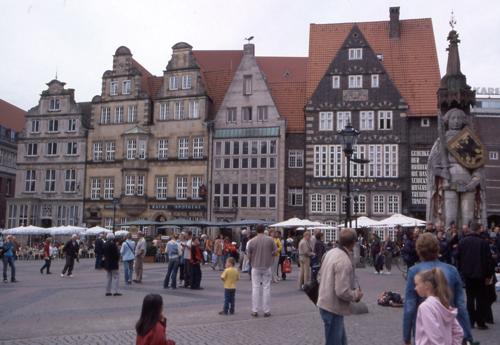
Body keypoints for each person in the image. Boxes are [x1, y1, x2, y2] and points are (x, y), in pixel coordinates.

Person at [403, 233, 473, 345]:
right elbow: (460, 305)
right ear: (437, 248)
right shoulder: (452, 270)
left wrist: (406, 337)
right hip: (449, 330)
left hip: (424, 332)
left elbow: (409, 307)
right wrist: (467, 335)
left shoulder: (414, 271)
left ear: (418, 250)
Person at [427, 108, 487, 228]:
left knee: (468, 218)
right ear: (447, 121)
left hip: (468, 181)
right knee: (450, 217)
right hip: (449, 182)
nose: (456, 121)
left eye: (459, 118)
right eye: (453, 118)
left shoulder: (469, 140)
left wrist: (474, 182)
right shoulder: (441, 141)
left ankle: (468, 239)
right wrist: (442, 172)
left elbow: (478, 164)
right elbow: (432, 165)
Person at [317, 228, 363, 345]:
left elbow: (319, 276)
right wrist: (356, 295)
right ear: (353, 242)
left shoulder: (329, 253)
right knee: (335, 341)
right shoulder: (343, 261)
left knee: (341, 341)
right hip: (333, 307)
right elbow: (342, 291)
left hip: (325, 302)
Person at [457, 222, 494, 330]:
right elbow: (488, 261)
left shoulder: (463, 242)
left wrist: (462, 271)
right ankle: (480, 322)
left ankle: (471, 321)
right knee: (480, 299)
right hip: (481, 275)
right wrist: (488, 276)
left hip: (468, 275)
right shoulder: (483, 243)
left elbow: (458, 258)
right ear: (478, 230)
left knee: (470, 298)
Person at [414, 268, 464, 345]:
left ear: (426, 285)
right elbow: (458, 331)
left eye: (417, 284)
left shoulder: (425, 307)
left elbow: (435, 335)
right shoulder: (444, 303)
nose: (415, 288)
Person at [246, 224, 277, 317]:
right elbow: (275, 251)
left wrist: (251, 260)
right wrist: (270, 256)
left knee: (255, 288)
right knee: (266, 288)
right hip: (267, 266)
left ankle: (255, 310)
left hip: (255, 266)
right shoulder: (270, 240)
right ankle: (266, 310)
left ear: (256, 230)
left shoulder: (252, 241)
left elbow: (248, 255)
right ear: (264, 230)